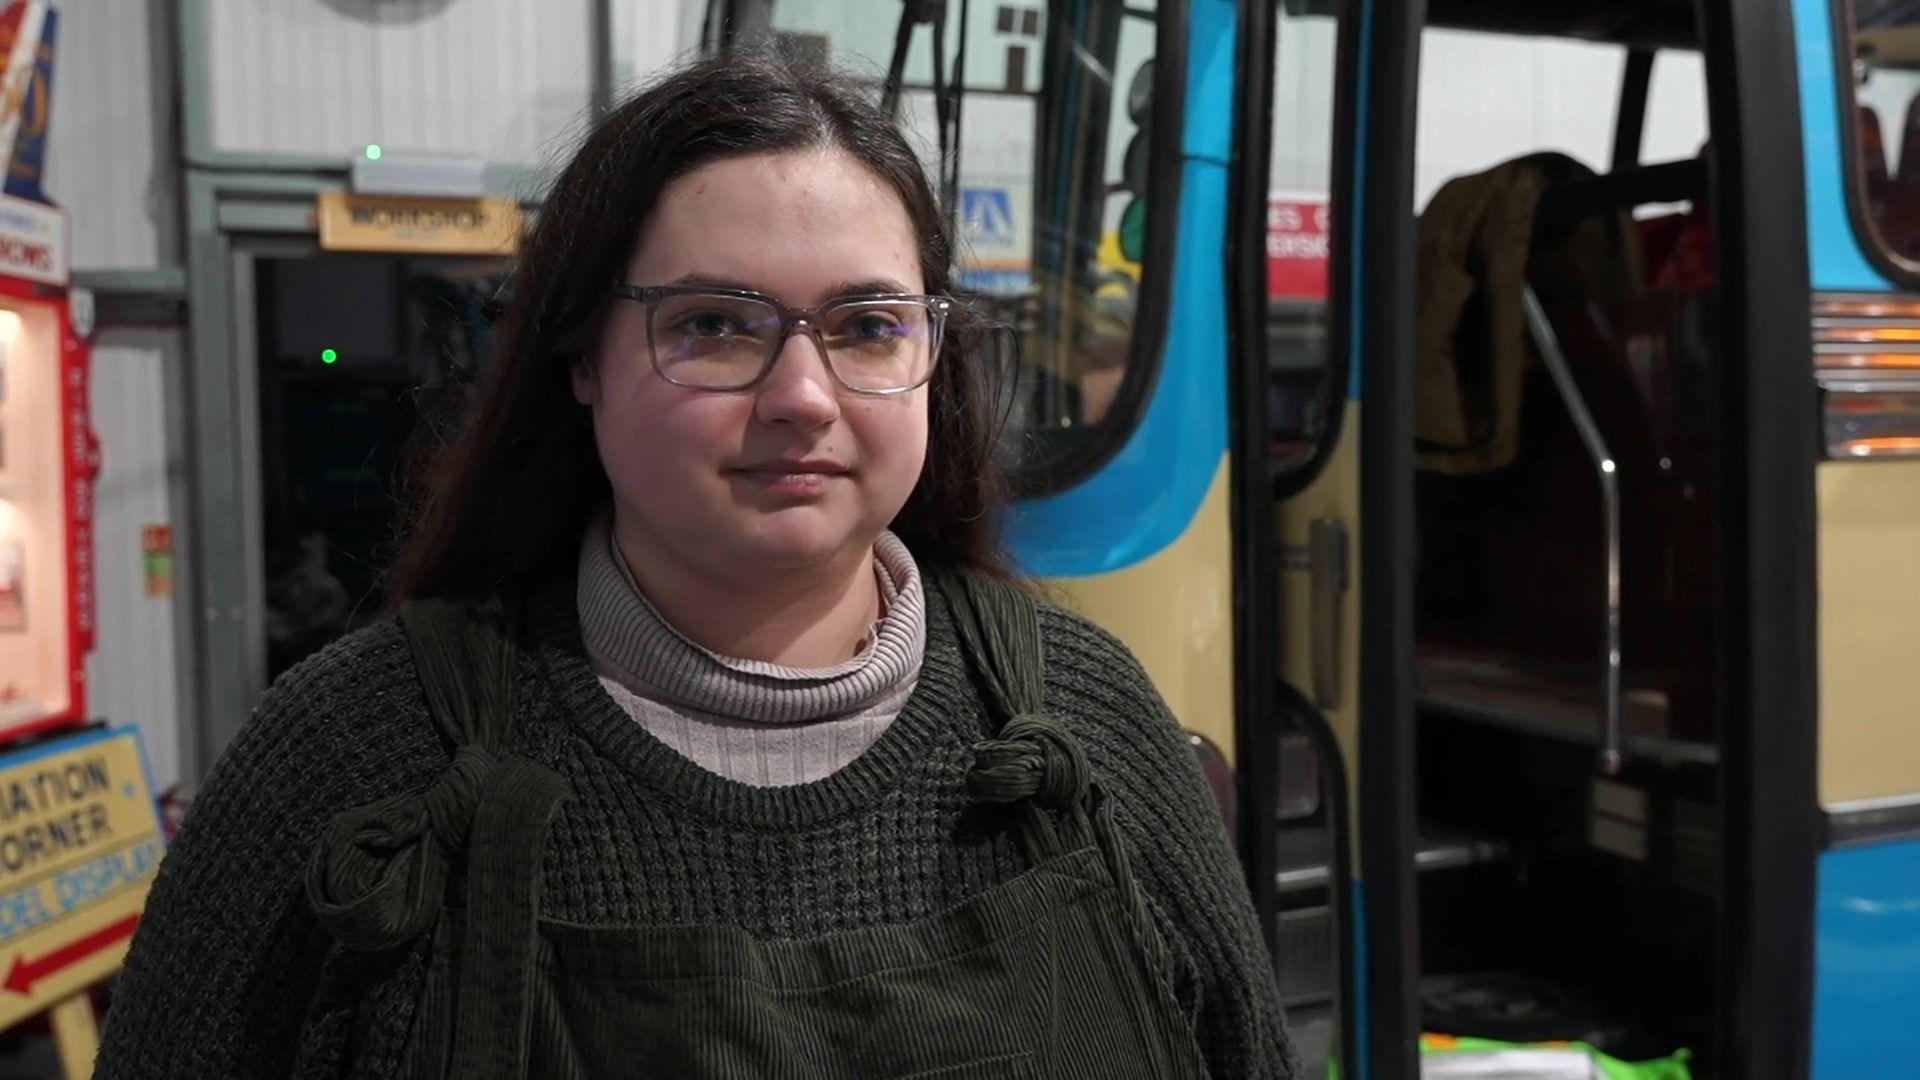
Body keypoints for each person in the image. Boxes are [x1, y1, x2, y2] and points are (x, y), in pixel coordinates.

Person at [95, 51, 1295, 1079]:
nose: (804, 398)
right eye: (715, 324)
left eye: (870, 326)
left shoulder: (1084, 720)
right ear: (581, 359)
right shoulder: (354, 754)